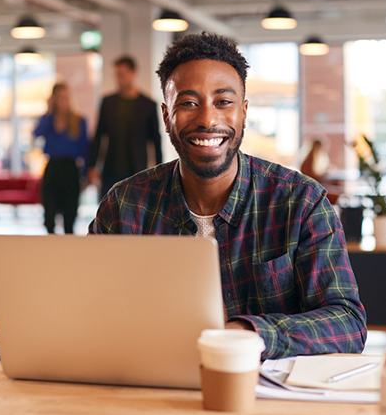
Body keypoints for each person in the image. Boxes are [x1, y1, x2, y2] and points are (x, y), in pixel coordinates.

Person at [89, 32, 367, 360]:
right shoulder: (124, 206)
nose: (208, 119)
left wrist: (248, 333)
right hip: (154, 388)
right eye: (189, 103)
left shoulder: (301, 202)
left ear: (244, 112)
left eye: (223, 102)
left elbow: (347, 322)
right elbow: (89, 311)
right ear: (166, 117)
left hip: (265, 400)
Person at [88, 56, 162, 199]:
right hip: (110, 169)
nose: (118, 79)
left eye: (122, 75)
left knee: (135, 214)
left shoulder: (148, 105)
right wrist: (92, 166)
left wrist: (159, 173)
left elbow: (155, 141)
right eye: (116, 75)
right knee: (108, 211)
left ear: (133, 73)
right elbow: (98, 136)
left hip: (137, 169)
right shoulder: (108, 102)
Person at [34, 83, 89, 234]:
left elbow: (85, 150)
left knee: (70, 217)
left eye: (64, 97)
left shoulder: (78, 121)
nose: (62, 101)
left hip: (70, 170)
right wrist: (49, 110)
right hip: (52, 169)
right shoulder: (49, 120)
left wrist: (85, 175)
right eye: (58, 97)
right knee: (49, 217)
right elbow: (37, 133)